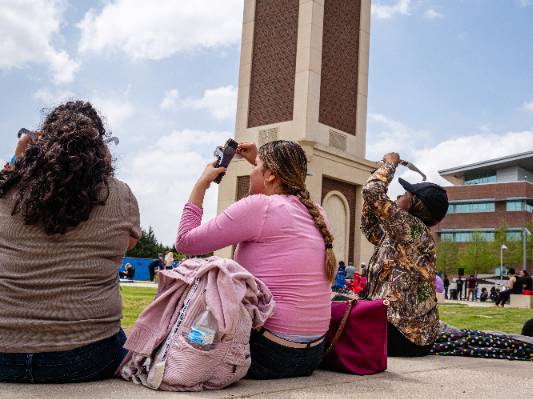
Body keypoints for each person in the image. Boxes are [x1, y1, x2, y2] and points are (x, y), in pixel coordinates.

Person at [0, 101, 141, 383]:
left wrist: (17, 162)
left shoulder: (5, 189)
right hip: (87, 357)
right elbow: (127, 245)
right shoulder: (119, 195)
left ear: (40, 142)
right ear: (100, 147)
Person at [176, 140, 334, 380]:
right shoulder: (317, 212)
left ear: (270, 175)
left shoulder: (261, 207)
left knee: (194, 275)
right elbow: (277, 182)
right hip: (311, 355)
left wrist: (202, 183)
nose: (251, 170)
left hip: (268, 354)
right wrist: (259, 160)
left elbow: (185, 242)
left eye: (256, 166)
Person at [361, 152, 449, 357]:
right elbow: (369, 228)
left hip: (402, 335)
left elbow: (372, 193)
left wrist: (390, 166)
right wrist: (377, 173)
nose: (399, 196)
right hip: (404, 334)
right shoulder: (403, 233)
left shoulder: (413, 230)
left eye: (405, 194)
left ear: (414, 204)